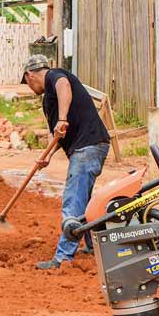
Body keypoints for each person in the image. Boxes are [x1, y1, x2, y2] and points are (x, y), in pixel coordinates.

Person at [21, 54, 111, 270]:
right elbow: (61, 134)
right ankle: (95, 246)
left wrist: (62, 119)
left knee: (73, 202)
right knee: (87, 203)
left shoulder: (56, 76)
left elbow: (64, 87)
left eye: (27, 83)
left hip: (87, 147)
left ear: (30, 75)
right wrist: (49, 155)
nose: (30, 88)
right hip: (90, 145)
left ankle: (63, 257)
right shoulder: (49, 99)